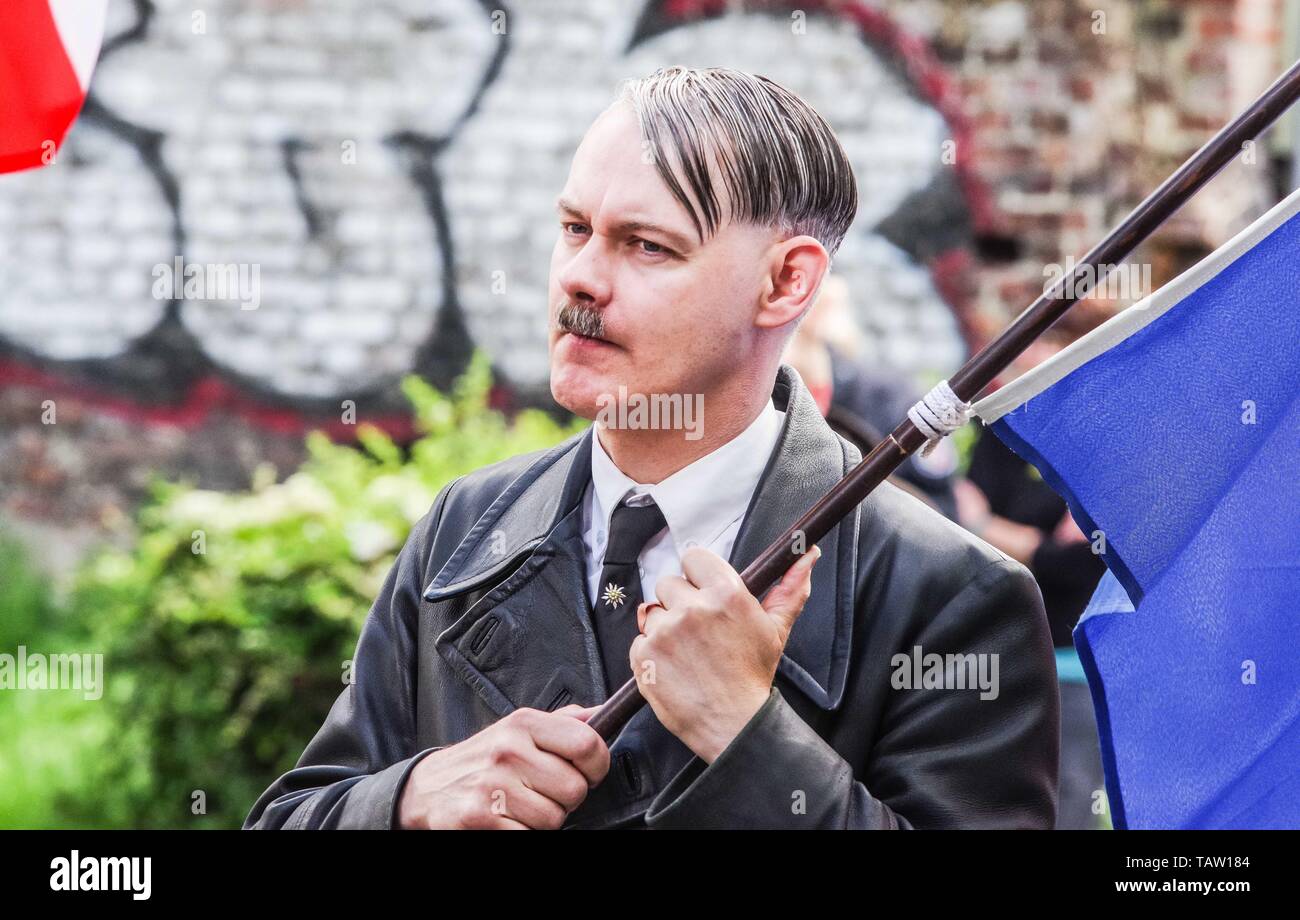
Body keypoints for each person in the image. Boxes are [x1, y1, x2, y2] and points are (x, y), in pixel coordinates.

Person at [245, 66, 1058, 830]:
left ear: (785, 284)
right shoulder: (465, 527)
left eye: (647, 246)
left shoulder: (949, 596)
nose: (580, 279)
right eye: (574, 229)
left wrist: (749, 735)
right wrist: (411, 797)